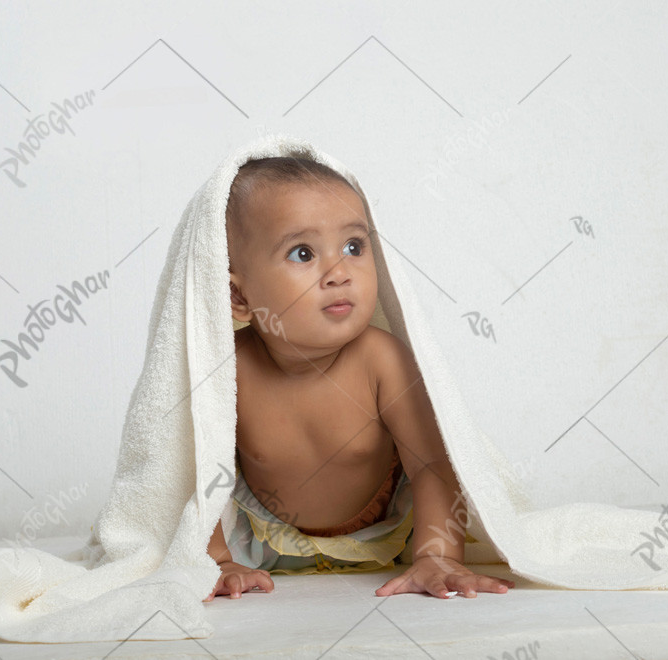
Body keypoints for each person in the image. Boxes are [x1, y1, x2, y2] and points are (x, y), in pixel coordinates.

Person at [204, 156, 515, 602]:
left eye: (354, 245)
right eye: (303, 253)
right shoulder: (231, 370)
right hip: (261, 540)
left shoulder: (381, 359)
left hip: (386, 531)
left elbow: (432, 465)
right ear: (238, 294)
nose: (339, 272)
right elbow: (194, 472)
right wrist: (217, 561)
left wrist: (437, 555)